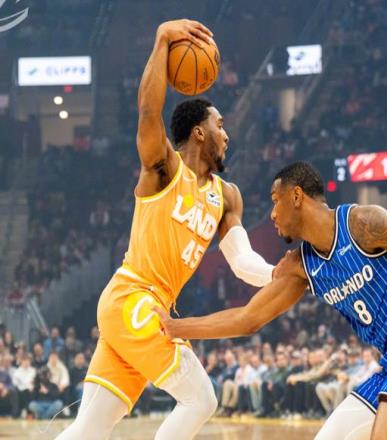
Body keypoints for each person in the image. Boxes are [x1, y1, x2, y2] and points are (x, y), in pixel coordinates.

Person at [155, 161, 387, 439]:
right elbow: (247, 319)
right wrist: (174, 327)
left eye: (275, 200)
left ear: (296, 195)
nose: (271, 214)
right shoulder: (301, 266)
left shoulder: (363, 223)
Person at [56, 19, 275, 440]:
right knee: (201, 399)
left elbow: (243, 262)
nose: (227, 135)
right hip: (136, 300)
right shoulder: (164, 169)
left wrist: (278, 274)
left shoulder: (228, 196)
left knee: (90, 428)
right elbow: (147, 112)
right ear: (199, 131)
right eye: (221, 125)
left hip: (138, 308)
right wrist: (161, 40)